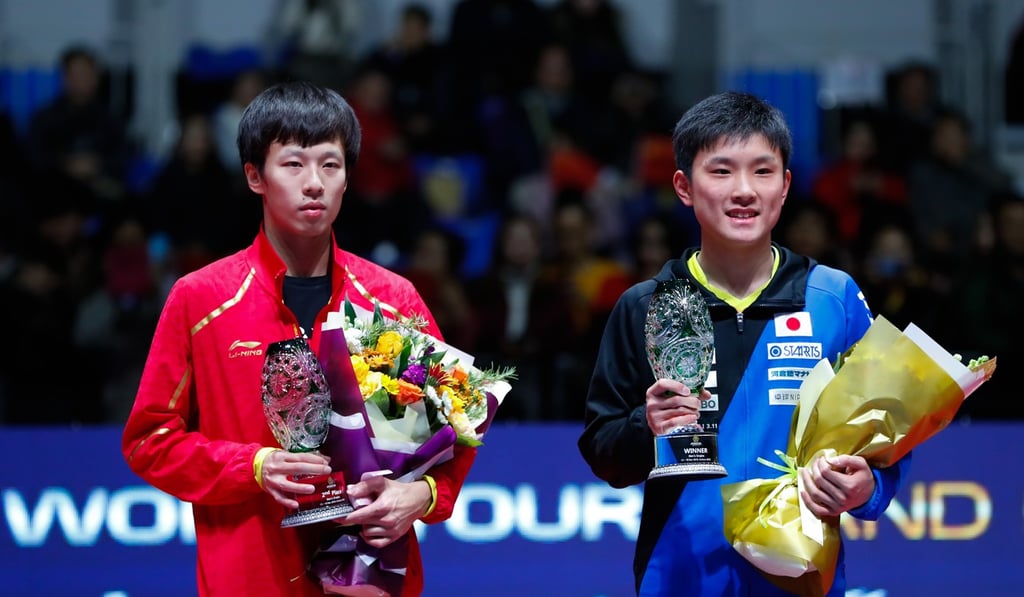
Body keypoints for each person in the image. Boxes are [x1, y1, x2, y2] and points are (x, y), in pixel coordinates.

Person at [121, 81, 475, 596]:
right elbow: (150, 441)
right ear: (254, 176)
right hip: (248, 577)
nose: (314, 183)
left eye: (330, 165)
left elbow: (459, 424)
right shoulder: (201, 299)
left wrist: (423, 495)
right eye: (293, 164)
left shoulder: (388, 299)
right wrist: (254, 466)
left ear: (348, 178)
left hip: (368, 579)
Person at [577, 91, 911, 595]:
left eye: (762, 171)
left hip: (800, 576)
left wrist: (870, 489)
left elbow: (887, 440)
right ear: (684, 187)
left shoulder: (833, 298)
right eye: (721, 171)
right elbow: (605, 455)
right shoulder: (646, 306)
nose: (744, 191)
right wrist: (645, 426)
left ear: (785, 186)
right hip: (679, 577)